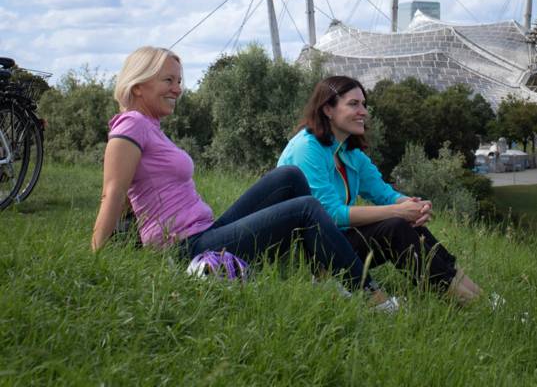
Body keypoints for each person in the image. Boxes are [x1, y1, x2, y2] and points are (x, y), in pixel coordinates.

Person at [91, 47, 395, 309]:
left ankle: (324, 277)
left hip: (205, 232)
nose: (177, 88)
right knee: (306, 208)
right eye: (168, 80)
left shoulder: (150, 126)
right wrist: (96, 258)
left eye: (179, 81)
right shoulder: (131, 124)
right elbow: (113, 190)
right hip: (185, 248)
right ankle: (373, 297)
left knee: (289, 176)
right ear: (139, 85)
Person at [277, 76, 485, 305]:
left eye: (364, 104)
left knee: (408, 224)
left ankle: (481, 298)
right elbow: (329, 215)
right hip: (308, 255)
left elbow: (384, 194)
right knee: (395, 226)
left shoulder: (349, 152)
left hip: (336, 242)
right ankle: (467, 303)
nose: (363, 112)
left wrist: (414, 205)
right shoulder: (306, 149)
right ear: (328, 109)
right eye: (353, 104)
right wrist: (397, 212)